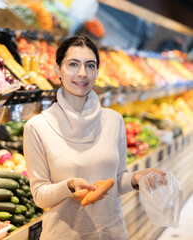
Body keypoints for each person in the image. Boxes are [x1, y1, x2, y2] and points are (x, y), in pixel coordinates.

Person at [23, 35, 166, 240]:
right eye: (73, 64)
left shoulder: (114, 120)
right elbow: (39, 195)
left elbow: (116, 180)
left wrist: (136, 179)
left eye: (90, 66)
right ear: (57, 70)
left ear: (97, 72)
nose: (82, 73)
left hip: (111, 233)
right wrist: (69, 186)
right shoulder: (37, 127)